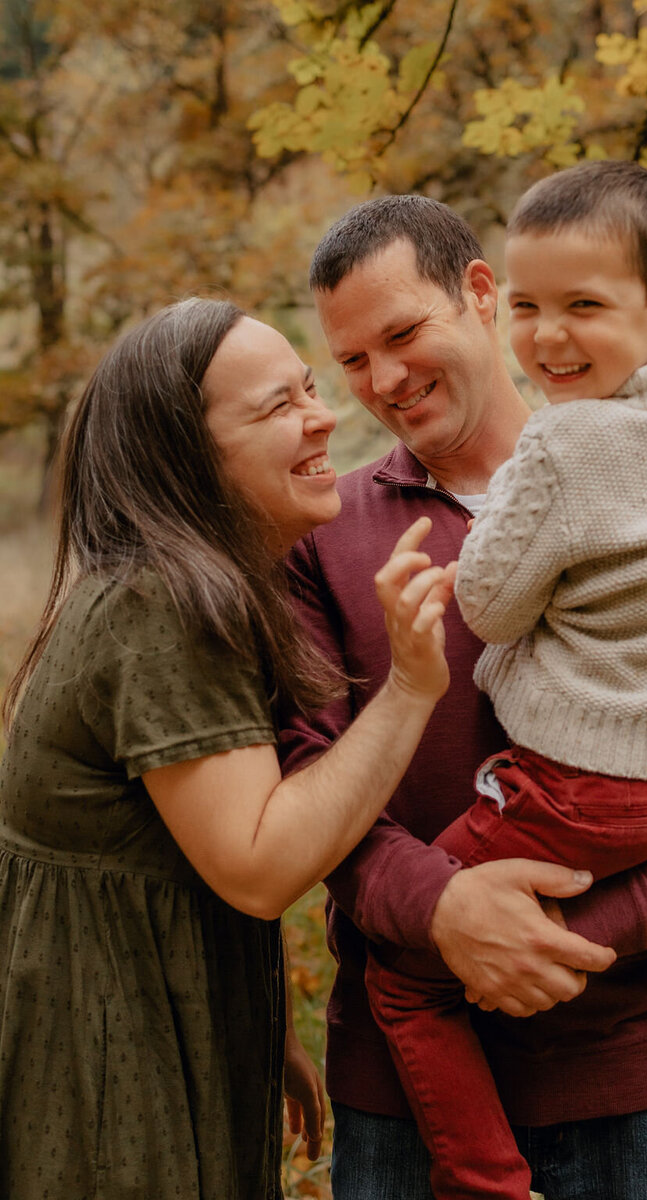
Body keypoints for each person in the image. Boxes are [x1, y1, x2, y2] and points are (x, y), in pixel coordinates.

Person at [280, 192, 647, 1200]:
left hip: (641, 1081)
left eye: (402, 333)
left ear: (480, 295)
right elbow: (302, 780)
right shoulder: (320, 530)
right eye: (351, 361)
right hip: (401, 1113)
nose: (384, 379)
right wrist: (445, 910)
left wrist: (604, 924)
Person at [0, 296, 460, 1199]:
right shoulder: (160, 604)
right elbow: (257, 865)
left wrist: (264, 1024)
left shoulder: (172, 584)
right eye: (276, 407)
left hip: (149, 1007)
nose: (323, 416)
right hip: (106, 1047)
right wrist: (409, 688)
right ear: (185, 455)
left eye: (310, 389)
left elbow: (178, 850)